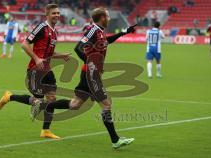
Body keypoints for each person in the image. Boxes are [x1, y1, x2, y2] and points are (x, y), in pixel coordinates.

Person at [35, 7, 136, 149]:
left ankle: (44, 105)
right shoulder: (93, 30)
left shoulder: (99, 31)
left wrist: (123, 32)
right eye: (107, 16)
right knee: (106, 104)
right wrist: (90, 62)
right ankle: (115, 140)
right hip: (91, 74)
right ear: (102, 18)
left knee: (75, 105)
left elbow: (106, 41)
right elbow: (78, 47)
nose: (109, 18)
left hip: (89, 74)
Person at [0, 4, 71, 139]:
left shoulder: (54, 31)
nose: (56, 15)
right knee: (38, 102)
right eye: (54, 13)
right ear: (47, 14)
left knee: (52, 99)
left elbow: (49, 51)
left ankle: (45, 130)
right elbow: (24, 44)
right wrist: (36, 59)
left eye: (58, 13)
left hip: (47, 70)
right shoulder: (41, 28)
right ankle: (9, 97)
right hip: (35, 70)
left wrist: (61, 56)